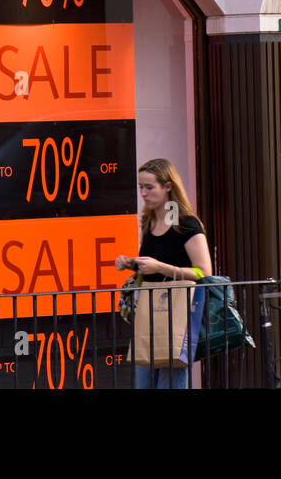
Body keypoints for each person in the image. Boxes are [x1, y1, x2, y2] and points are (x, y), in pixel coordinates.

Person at [116, 158, 212, 389]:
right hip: (149, 312)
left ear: (168, 187)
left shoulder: (186, 224)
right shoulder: (149, 221)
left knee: (170, 381)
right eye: (140, 187)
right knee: (144, 383)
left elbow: (204, 272)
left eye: (149, 187)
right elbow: (152, 263)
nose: (144, 193)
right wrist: (131, 263)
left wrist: (162, 268)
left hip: (177, 312)